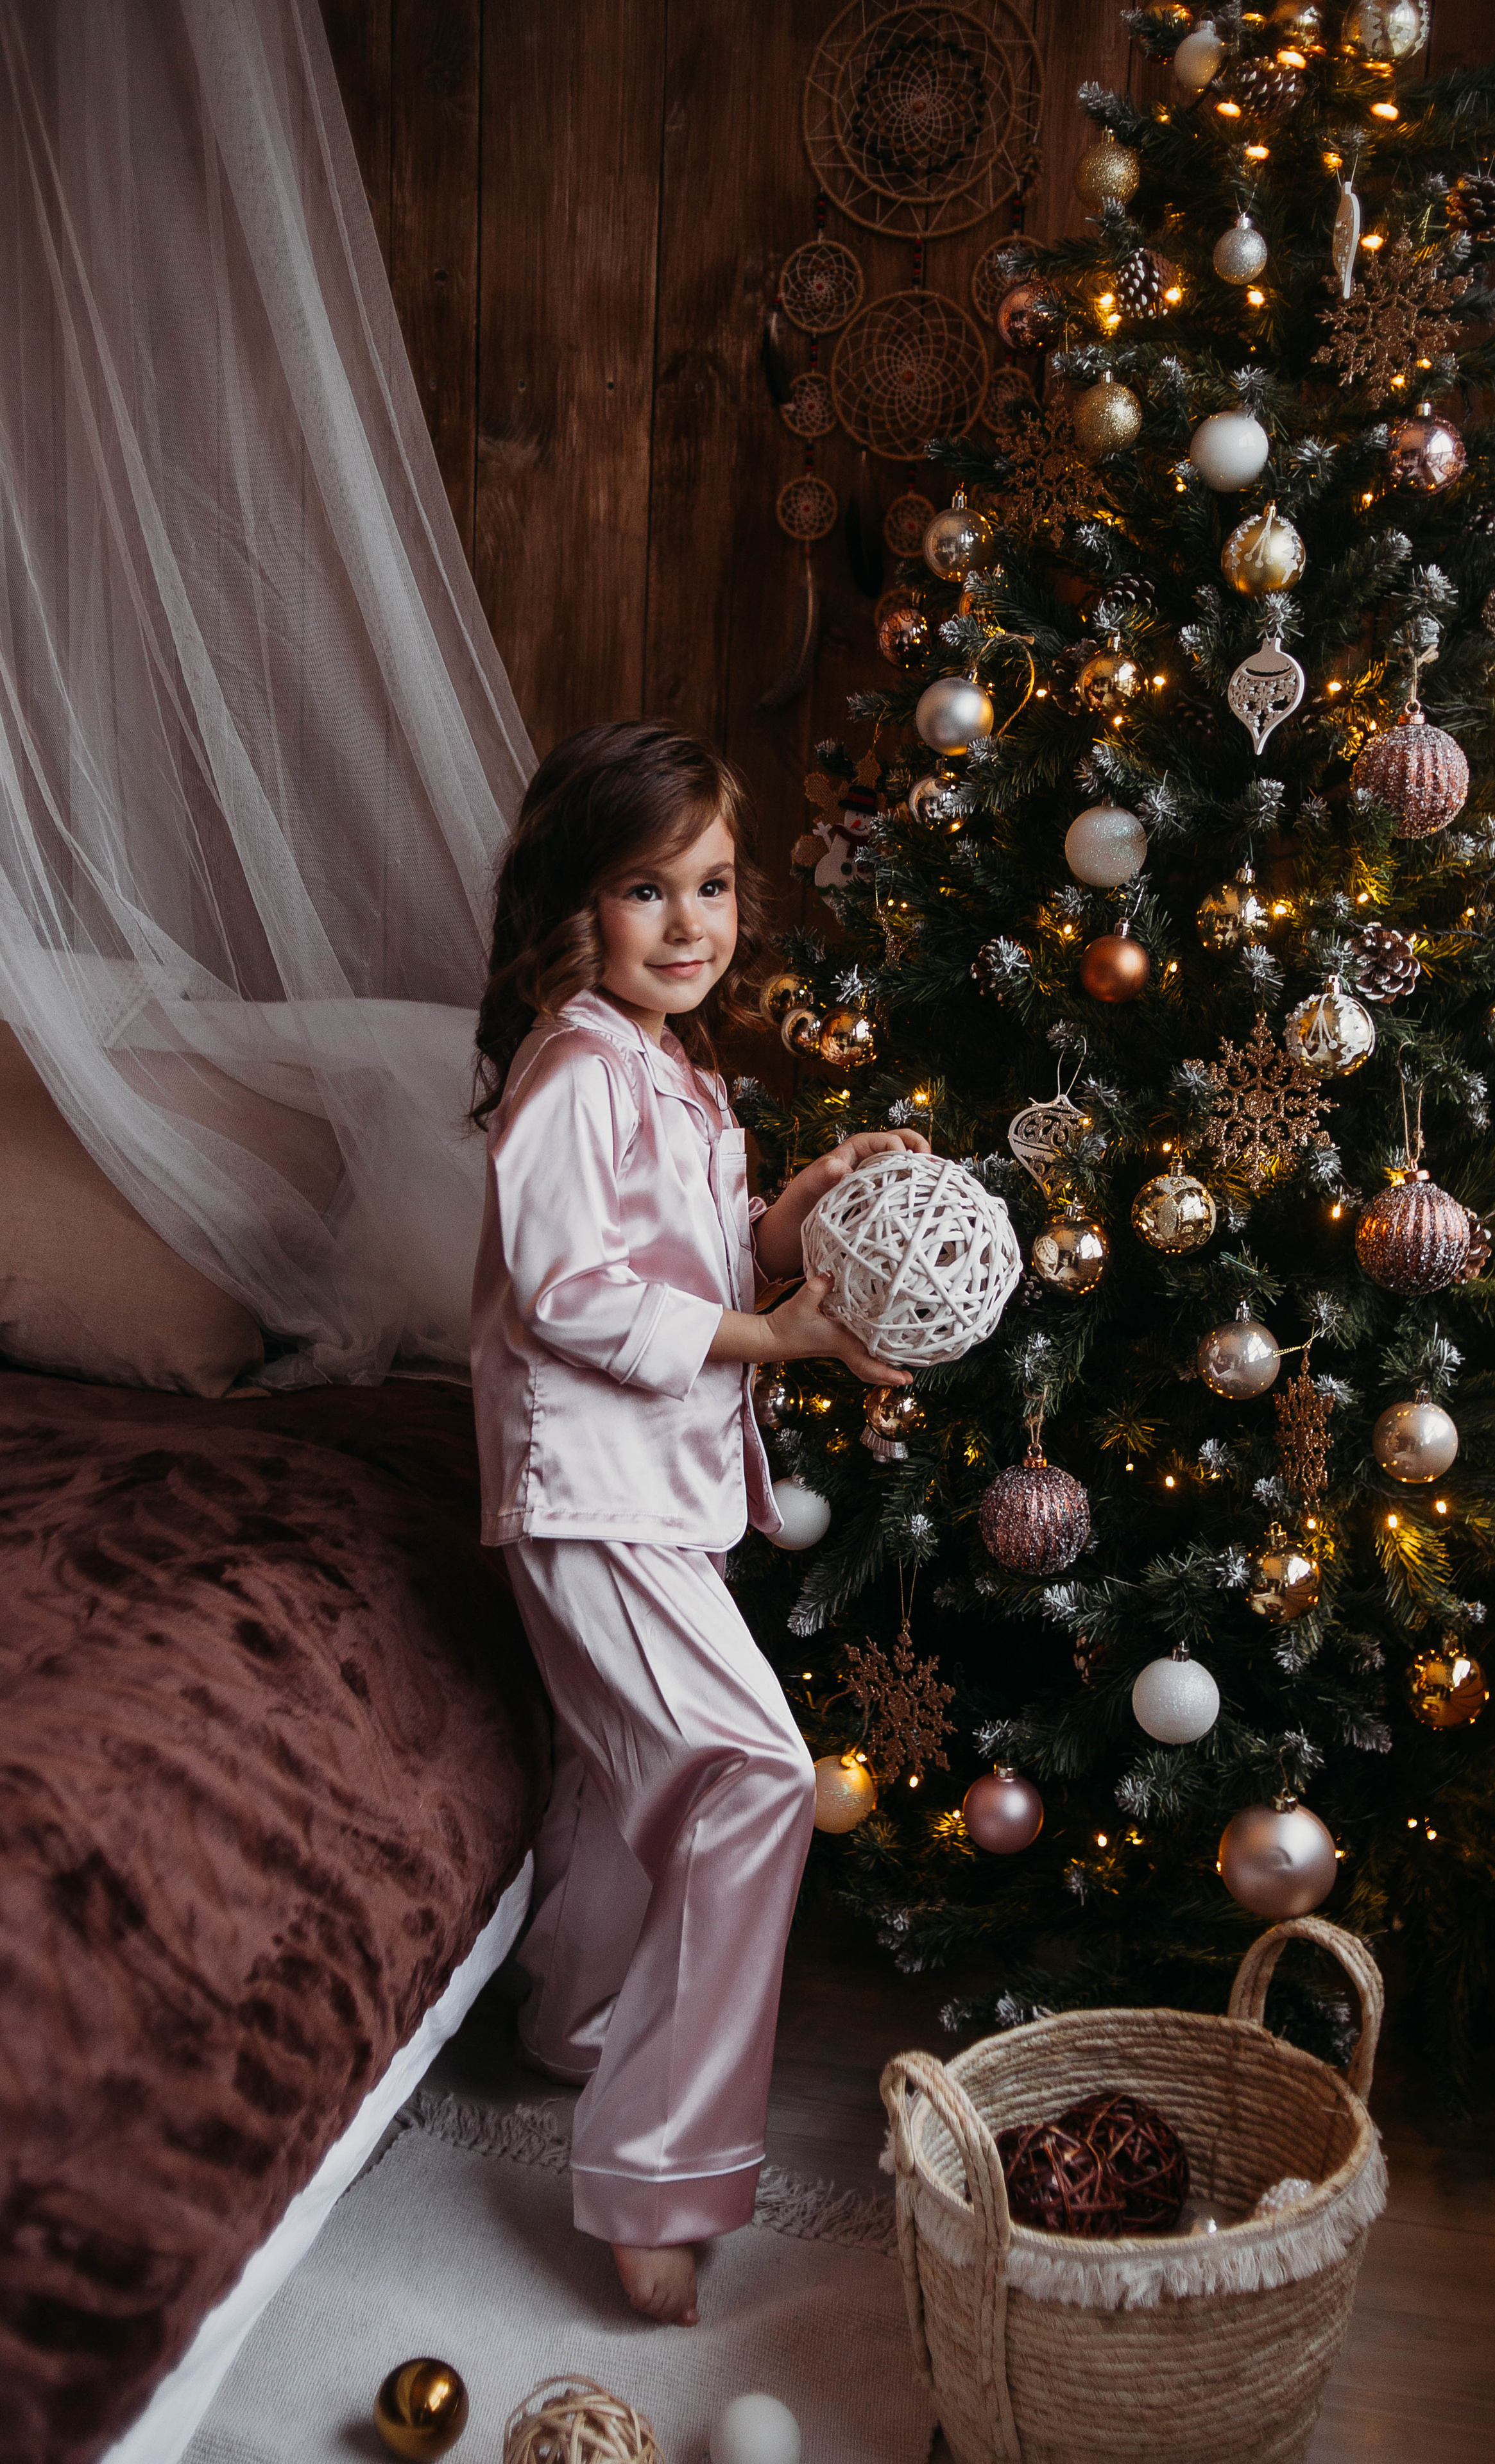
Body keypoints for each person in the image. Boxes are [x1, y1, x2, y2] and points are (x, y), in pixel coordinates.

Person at [469, 721, 927, 2327]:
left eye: (714, 885)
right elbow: (569, 1289)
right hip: (584, 1489)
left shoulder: (673, 1066)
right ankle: (655, 2175)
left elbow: (699, 1246)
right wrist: (776, 1337)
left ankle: (571, 2026)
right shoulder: (573, 1066)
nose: (689, 923)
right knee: (747, 1777)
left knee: (624, 1777)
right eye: (645, 889)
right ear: (575, 907)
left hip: (657, 1489)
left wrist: (798, 1209)